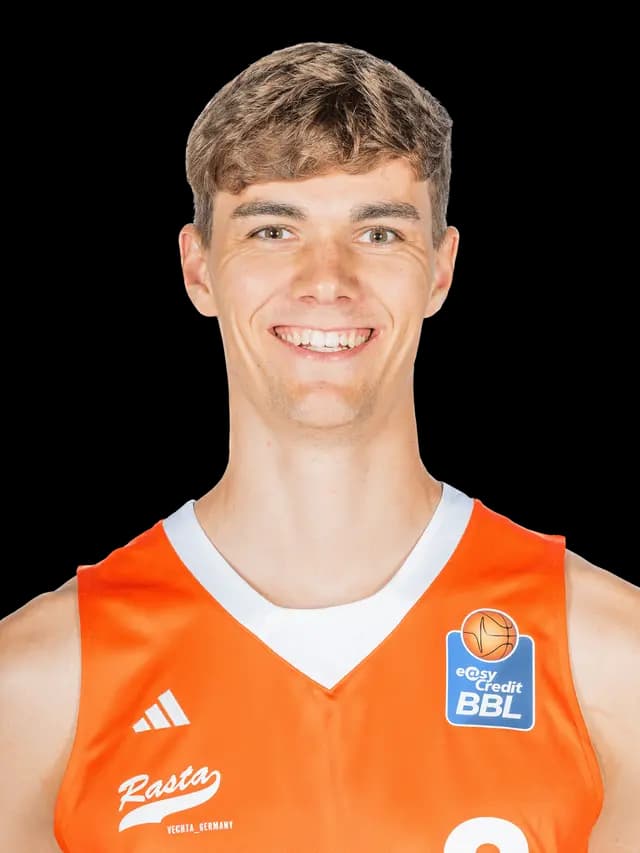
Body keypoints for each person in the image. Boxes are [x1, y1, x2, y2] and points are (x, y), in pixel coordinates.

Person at [1, 41, 638, 853]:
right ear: (199, 269)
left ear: (441, 269)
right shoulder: (40, 680)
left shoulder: (608, 656)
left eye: (378, 233)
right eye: (273, 230)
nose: (327, 280)